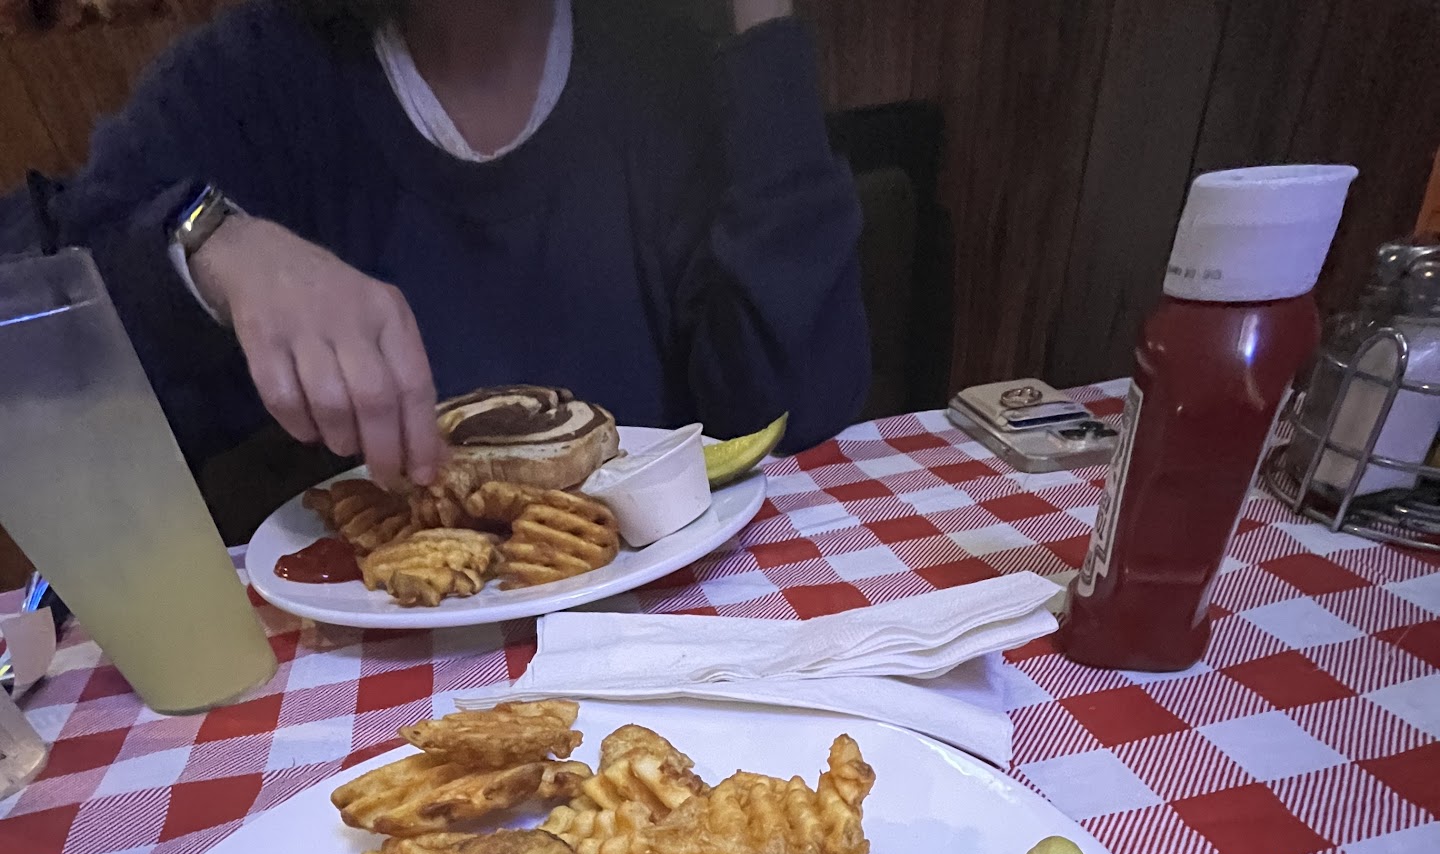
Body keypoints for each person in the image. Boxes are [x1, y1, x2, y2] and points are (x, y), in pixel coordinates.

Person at [0, 0, 869, 490]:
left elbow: (794, 423)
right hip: (347, 683)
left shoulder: (676, 72)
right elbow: (42, 360)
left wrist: (763, 27)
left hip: (665, 639)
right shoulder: (247, 82)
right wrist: (207, 248)